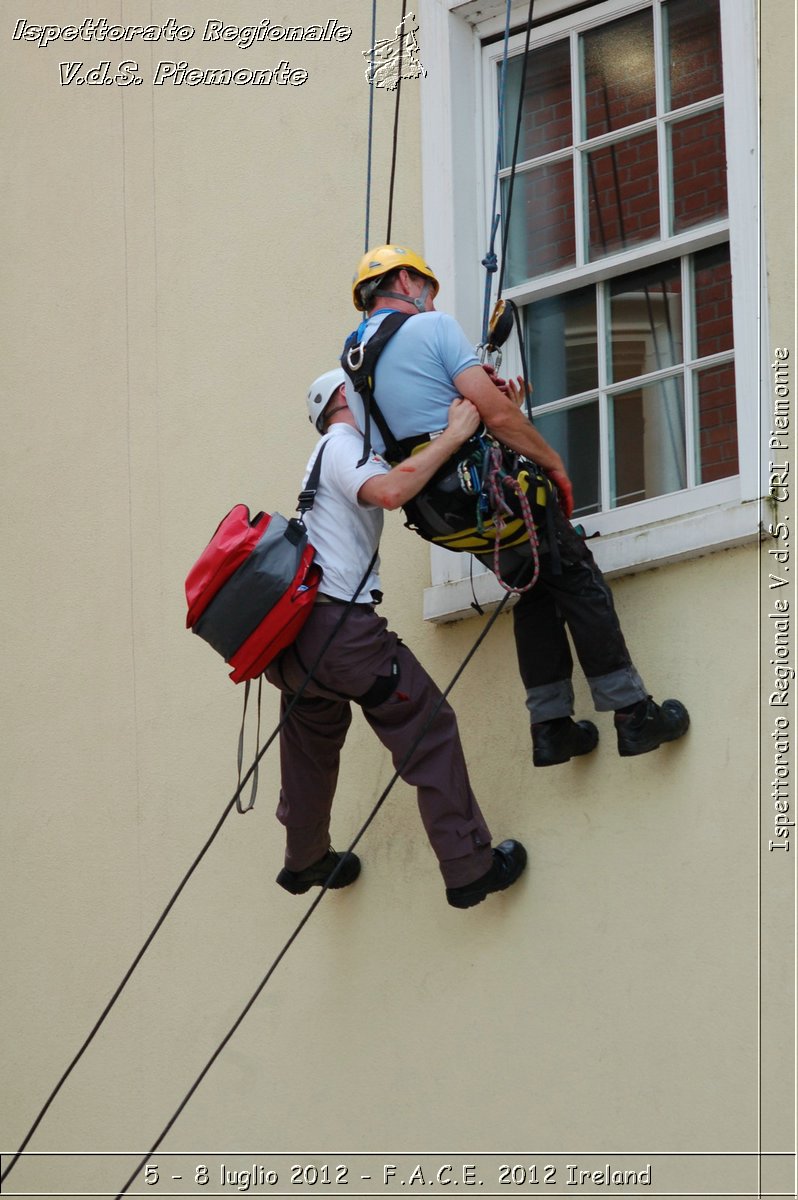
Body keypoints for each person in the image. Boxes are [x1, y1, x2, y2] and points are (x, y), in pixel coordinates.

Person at [340, 244, 690, 767]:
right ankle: (633, 715)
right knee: (576, 577)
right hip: (487, 492)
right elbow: (497, 417)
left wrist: (484, 412)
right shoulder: (431, 329)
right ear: (408, 281)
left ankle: (551, 729)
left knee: (535, 592)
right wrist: (554, 464)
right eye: (429, 291)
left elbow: (412, 431)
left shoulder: (351, 365)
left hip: (444, 514)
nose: (432, 303)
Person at [263, 367, 527, 909]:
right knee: (428, 728)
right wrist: (456, 434)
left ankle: (305, 857)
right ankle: (470, 867)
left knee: (309, 744)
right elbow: (390, 490)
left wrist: (486, 414)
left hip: (297, 643)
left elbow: (416, 465)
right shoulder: (342, 446)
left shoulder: (327, 459)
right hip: (345, 634)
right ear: (342, 398)